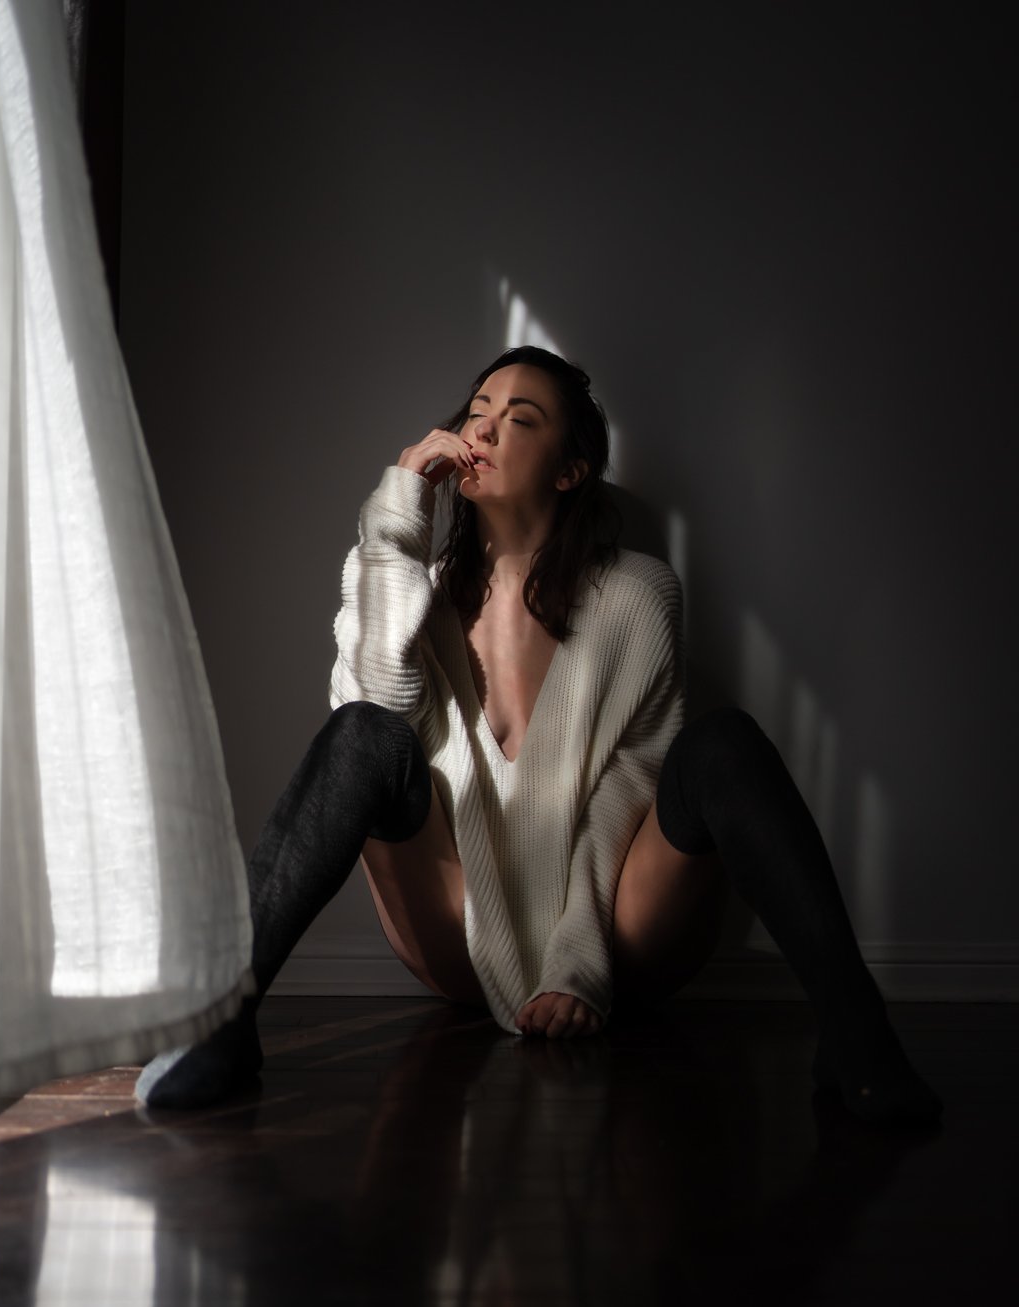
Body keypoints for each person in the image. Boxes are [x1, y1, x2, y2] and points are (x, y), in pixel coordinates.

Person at [137, 346, 941, 1126]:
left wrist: (578, 965)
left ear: (570, 470)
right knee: (362, 732)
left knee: (722, 744)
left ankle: (856, 1036)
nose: (483, 431)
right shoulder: (416, 586)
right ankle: (225, 1020)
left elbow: (629, 787)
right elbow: (378, 696)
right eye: (477, 411)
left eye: (519, 419)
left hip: (623, 933)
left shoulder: (637, 595)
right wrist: (399, 515)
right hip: (458, 922)